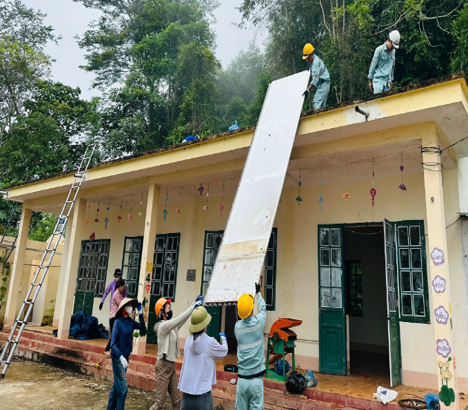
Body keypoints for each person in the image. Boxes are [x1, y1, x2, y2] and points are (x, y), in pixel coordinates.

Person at [149, 295, 204, 410]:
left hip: (171, 366)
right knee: (159, 404)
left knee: (177, 401)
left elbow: (181, 320)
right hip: (163, 366)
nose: (170, 311)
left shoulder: (172, 327)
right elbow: (178, 319)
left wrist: (192, 305)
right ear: (162, 312)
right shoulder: (163, 326)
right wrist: (192, 307)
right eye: (168, 308)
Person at [178, 306, 228, 410]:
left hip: (186, 395)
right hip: (203, 396)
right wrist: (224, 339)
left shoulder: (187, 341)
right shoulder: (210, 342)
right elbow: (224, 351)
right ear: (205, 325)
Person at [107, 297, 146, 410]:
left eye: (132, 306)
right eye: (129, 306)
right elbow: (112, 344)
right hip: (118, 359)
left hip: (125, 358)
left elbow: (142, 327)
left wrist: (140, 312)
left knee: (117, 386)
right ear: (123, 308)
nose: (131, 308)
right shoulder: (118, 323)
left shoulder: (130, 322)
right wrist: (120, 357)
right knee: (123, 388)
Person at [235, 283, 266, 410]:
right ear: (252, 309)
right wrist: (258, 294)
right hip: (256, 380)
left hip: (242, 381)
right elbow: (263, 309)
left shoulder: (237, 328)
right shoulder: (258, 323)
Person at [368, 30, 400, 94]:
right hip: (378, 80)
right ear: (389, 40)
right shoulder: (379, 50)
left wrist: (390, 79)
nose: (393, 48)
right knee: (378, 99)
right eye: (393, 46)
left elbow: (392, 66)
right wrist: (370, 80)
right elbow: (373, 65)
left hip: (387, 81)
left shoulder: (393, 51)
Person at [301, 43, 330, 110]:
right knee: (322, 107)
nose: (307, 60)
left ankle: (318, 117)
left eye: (307, 58)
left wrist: (307, 90)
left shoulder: (315, 63)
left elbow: (315, 80)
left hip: (323, 84)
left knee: (316, 102)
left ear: (311, 54)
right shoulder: (315, 59)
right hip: (325, 83)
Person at [104, 278, 126, 353]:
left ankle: (112, 350)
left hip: (115, 317)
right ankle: (107, 349)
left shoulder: (119, 294)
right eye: (123, 287)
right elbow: (120, 304)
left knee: (116, 334)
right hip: (113, 317)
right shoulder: (116, 294)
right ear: (120, 286)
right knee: (115, 335)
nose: (123, 289)